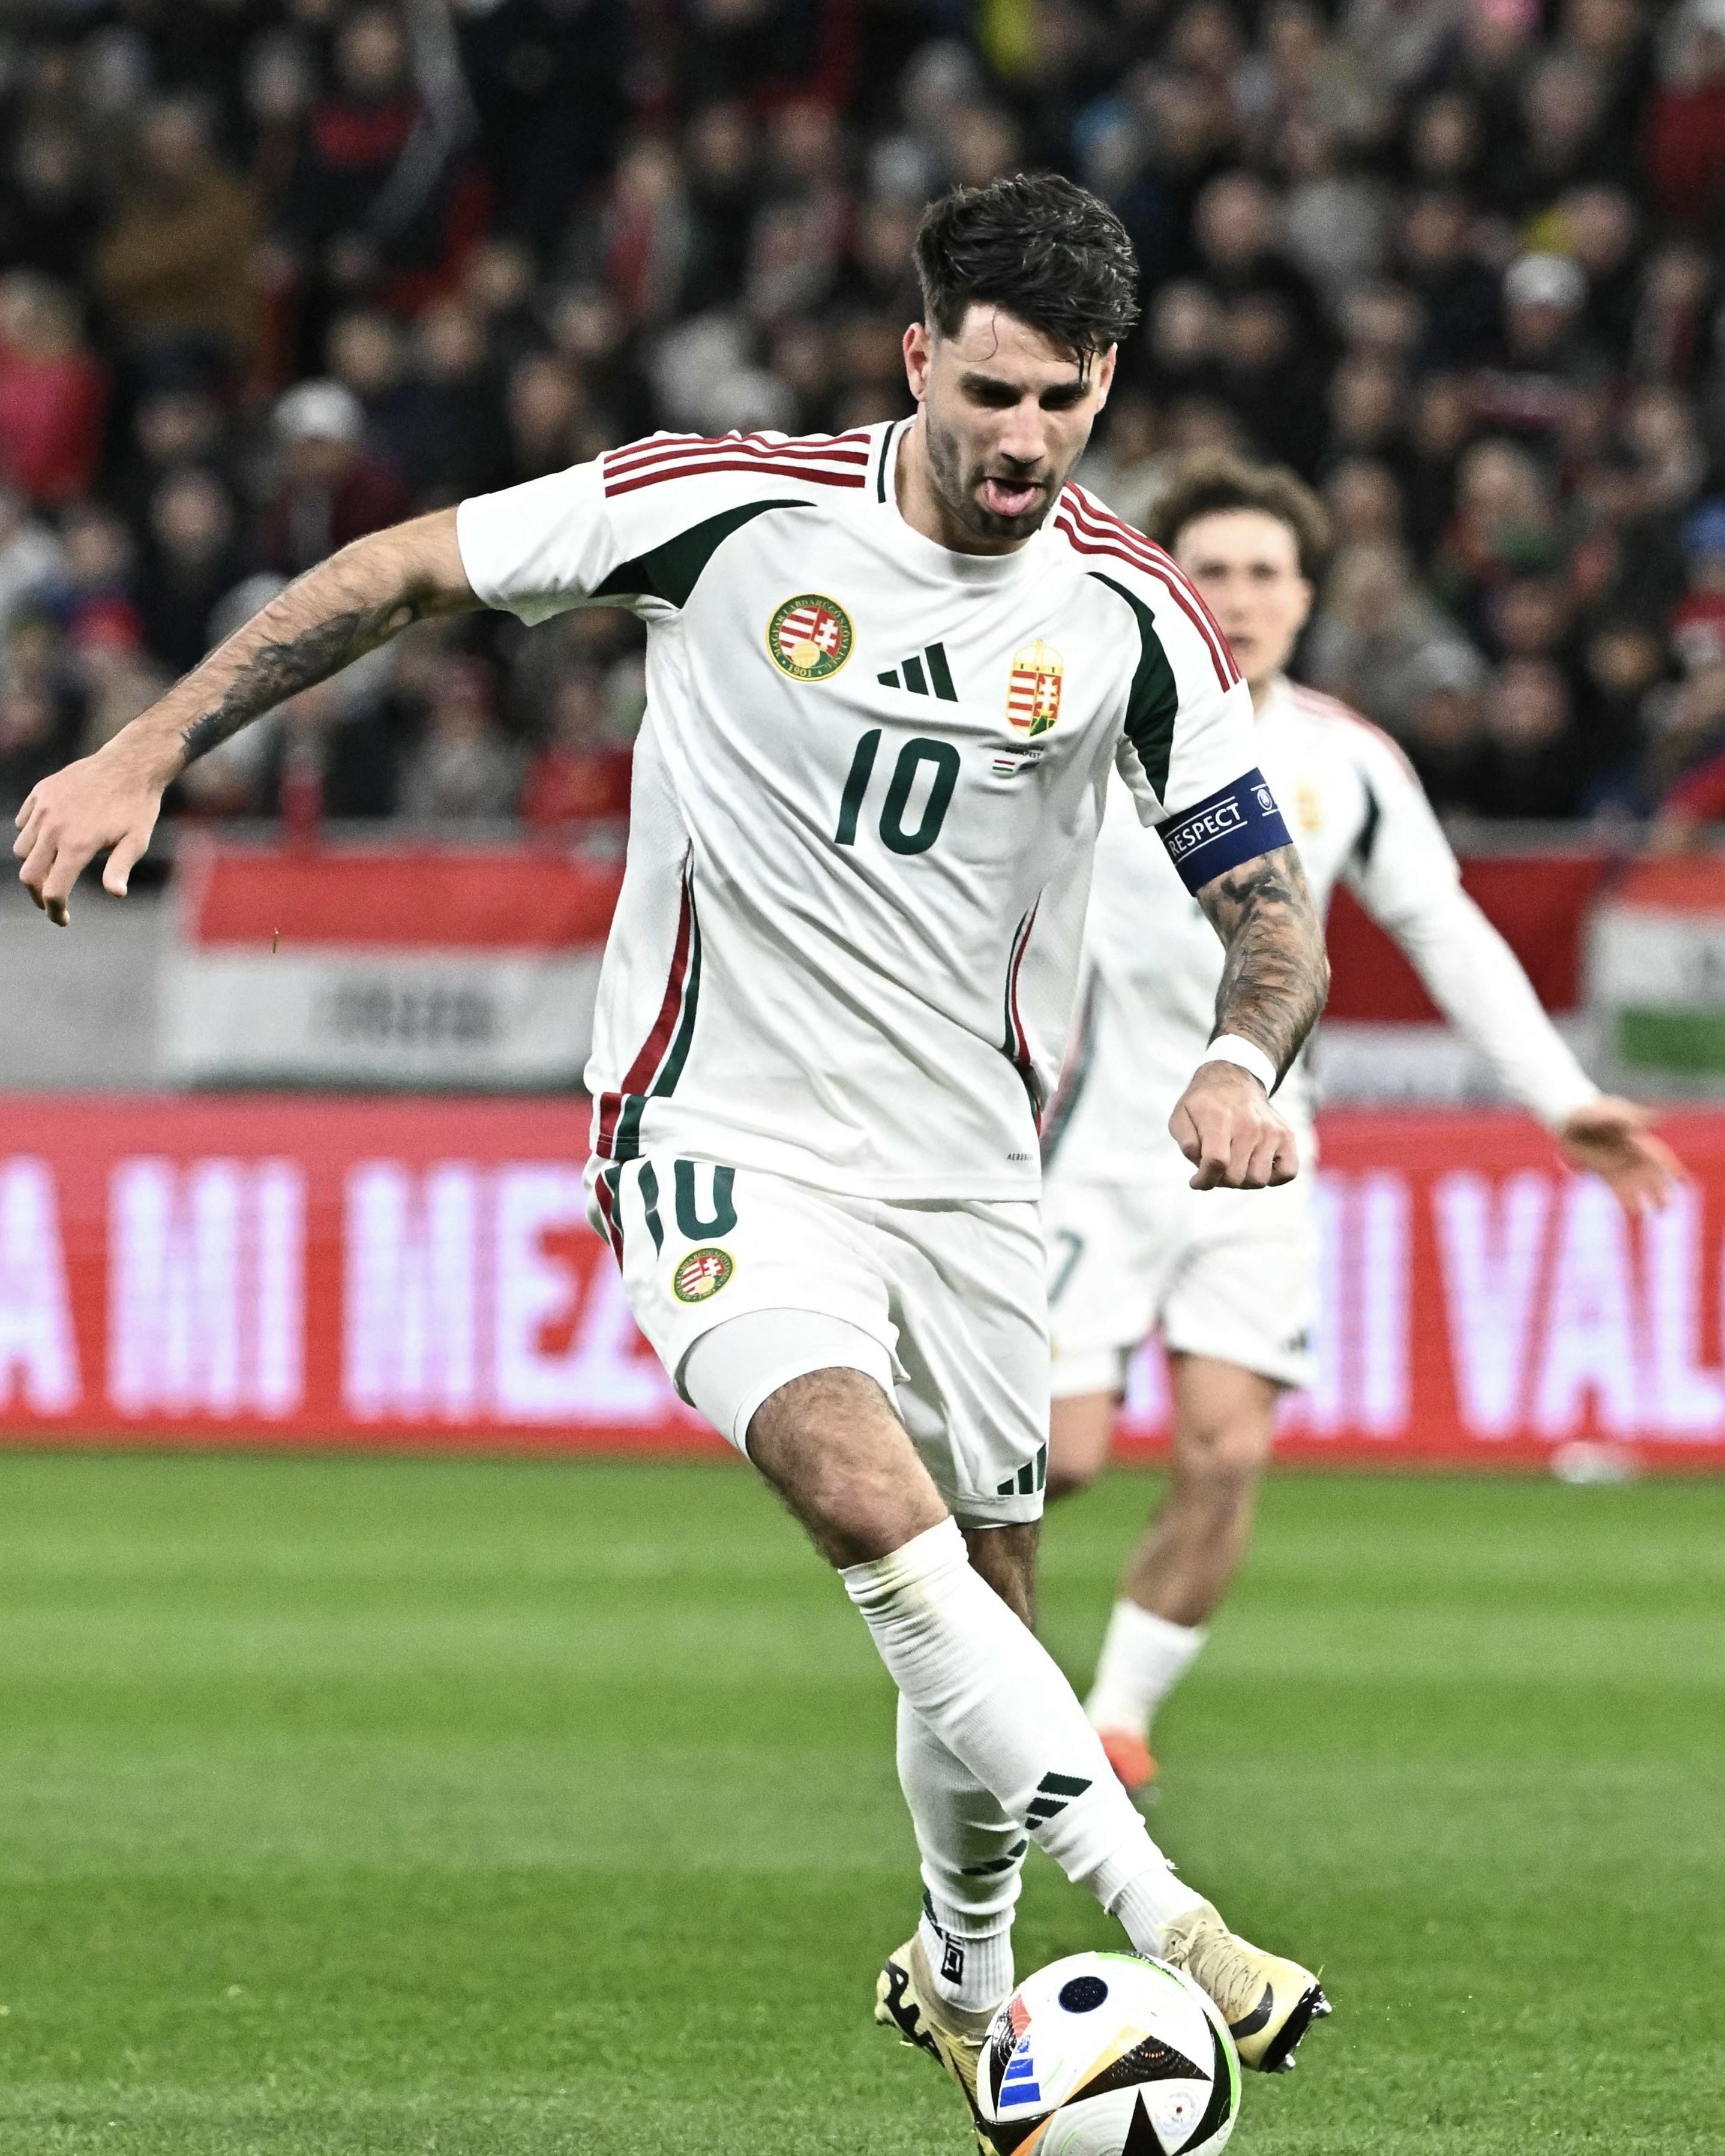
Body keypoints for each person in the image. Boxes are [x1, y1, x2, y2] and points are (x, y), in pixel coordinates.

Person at [13, 178, 1334, 2133]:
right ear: (914, 355)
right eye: (985, 392)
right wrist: (151, 746)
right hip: (710, 1130)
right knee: (856, 1495)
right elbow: (396, 570)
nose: (1017, 441)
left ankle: (962, 1976)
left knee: (982, 1586)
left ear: (1104, 382)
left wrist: (1241, 1054)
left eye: (1059, 402)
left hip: (971, 1172)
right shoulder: (728, 504)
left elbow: (1269, 904)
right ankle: (1171, 1919)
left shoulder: (1129, 610)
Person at [1041, 452, 1681, 1797]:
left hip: (1266, 1151)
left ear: (1308, 594)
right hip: (1091, 1148)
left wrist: (1558, 1099)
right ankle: (970, 1676)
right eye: (1210, 570)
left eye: (1265, 573)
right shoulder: (1091, 732)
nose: (1240, 595)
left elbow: (1443, 928)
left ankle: (1109, 1725)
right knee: (1062, 1457)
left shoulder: (1346, 762)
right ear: (1168, 585)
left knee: (1224, 1459)